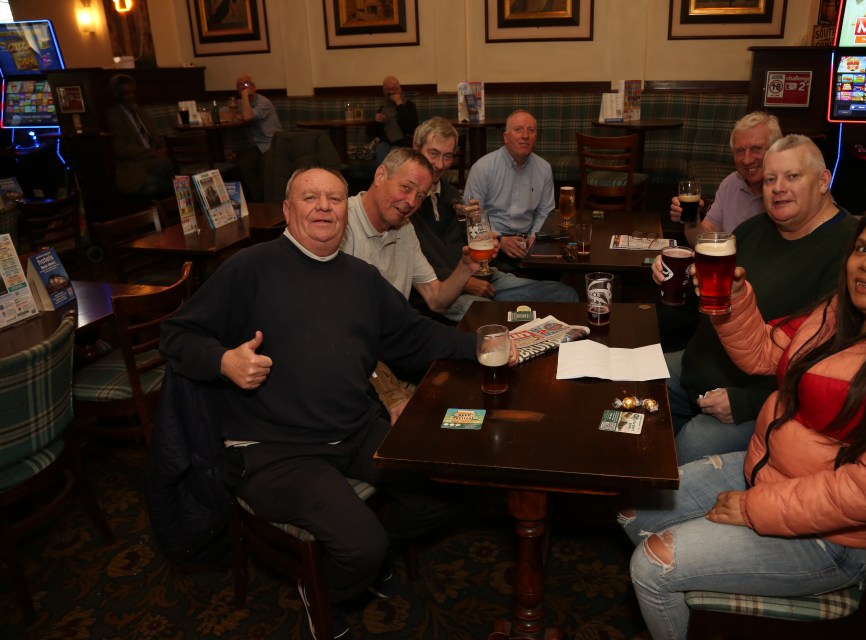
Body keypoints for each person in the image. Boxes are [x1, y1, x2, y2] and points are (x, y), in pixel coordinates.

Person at [160, 167, 515, 638]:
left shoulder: (361, 278)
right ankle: (327, 589)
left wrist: (484, 345)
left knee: (447, 491)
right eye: (310, 197)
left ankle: (369, 559)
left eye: (334, 198)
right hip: (274, 451)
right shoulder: (249, 269)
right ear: (288, 210)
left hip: (353, 428)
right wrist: (223, 359)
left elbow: (413, 336)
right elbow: (176, 334)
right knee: (361, 546)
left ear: (345, 212)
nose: (324, 206)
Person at [623, 196, 866, 640]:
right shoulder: (838, 313)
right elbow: (764, 354)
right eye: (863, 248)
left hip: (837, 540)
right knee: (634, 513)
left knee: (652, 566)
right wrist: (734, 299)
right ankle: (704, 611)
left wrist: (753, 508)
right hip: (767, 473)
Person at [655, 134, 859, 465]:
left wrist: (748, 402)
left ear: (823, 181)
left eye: (792, 176)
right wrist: (671, 280)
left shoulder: (851, 252)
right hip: (697, 365)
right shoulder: (754, 229)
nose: (778, 187)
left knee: (691, 446)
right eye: (769, 179)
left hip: (760, 397)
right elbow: (707, 304)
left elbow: (832, 363)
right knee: (636, 379)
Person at [409, 117, 578, 322]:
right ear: (416, 148)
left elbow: (470, 244)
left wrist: (487, 238)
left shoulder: (451, 196)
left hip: (480, 277)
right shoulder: (407, 202)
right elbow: (414, 265)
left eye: (447, 156)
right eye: (433, 153)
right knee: (497, 317)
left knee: (564, 295)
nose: (439, 164)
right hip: (440, 291)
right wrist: (466, 281)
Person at [341, 146, 485, 319]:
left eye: (420, 197)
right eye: (406, 187)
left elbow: (436, 299)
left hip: (397, 335)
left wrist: (465, 268)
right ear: (380, 176)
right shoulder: (339, 222)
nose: (411, 202)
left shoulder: (406, 228)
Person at [670, 111, 781, 248]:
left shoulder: (786, 192)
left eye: (756, 149)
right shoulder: (731, 183)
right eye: (740, 151)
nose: (747, 160)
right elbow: (703, 241)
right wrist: (692, 219)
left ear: (776, 150)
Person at [464, 109, 554, 272]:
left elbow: (545, 211)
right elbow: (471, 216)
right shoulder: (483, 168)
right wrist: (499, 239)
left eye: (530, 130)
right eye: (518, 130)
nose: (525, 136)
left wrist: (534, 237)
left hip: (528, 241)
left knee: (554, 270)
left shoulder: (544, 169)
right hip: (493, 243)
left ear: (536, 137)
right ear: (505, 137)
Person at [104, 74, 173, 198]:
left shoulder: (140, 111)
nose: (131, 96)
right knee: (169, 165)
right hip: (136, 162)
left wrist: (164, 149)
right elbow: (121, 148)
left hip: (154, 155)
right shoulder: (113, 117)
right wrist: (153, 153)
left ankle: (176, 204)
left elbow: (155, 136)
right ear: (116, 95)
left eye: (132, 92)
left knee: (176, 160)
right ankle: (179, 204)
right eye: (126, 93)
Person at [234, 74, 282, 202]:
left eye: (247, 84)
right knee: (243, 164)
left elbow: (248, 116)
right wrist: (236, 113)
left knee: (265, 164)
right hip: (255, 146)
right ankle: (258, 201)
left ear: (254, 88)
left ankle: (268, 201)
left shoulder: (263, 102)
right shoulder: (239, 104)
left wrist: (244, 96)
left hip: (273, 143)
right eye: (241, 86)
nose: (245, 88)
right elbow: (223, 113)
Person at [367, 75, 419, 164]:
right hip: (386, 142)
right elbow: (370, 133)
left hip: (404, 142)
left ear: (400, 89)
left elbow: (412, 128)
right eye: (387, 90)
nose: (391, 92)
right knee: (381, 149)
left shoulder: (409, 105)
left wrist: (399, 105)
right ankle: (382, 177)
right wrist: (377, 122)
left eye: (394, 88)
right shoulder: (383, 108)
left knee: (394, 152)